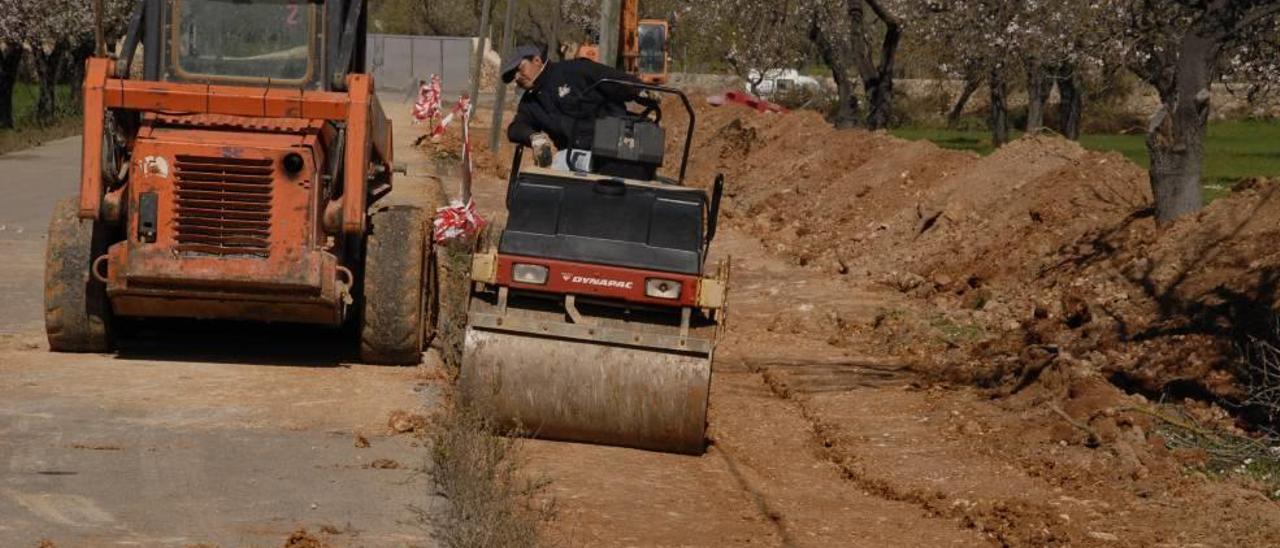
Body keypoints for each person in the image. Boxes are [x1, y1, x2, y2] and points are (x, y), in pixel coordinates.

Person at [501, 44, 647, 172]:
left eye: (520, 69)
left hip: (614, 149)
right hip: (572, 158)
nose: (517, 77)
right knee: (555, 170)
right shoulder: (531, 102)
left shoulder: (574, 70)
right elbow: (516, 128)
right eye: (513, 76)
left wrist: (640, 90)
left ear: (537, 60)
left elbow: (614, 80)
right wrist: (534, 137)